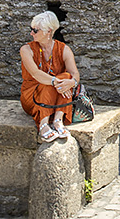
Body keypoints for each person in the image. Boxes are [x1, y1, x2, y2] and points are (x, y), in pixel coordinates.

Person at [19, 11, 79, 143]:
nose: (31, 33)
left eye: (35, 30)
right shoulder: (26, 50)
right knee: (48, 83)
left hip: (56, 97)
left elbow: (75, 74)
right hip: (33, 97)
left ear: (48, 31)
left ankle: (58, 119)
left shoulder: (63, 49)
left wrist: (71, 82)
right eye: (31, 30)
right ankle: (43, 123)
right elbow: (36, 73)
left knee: (66, 77)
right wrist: (55, 81)